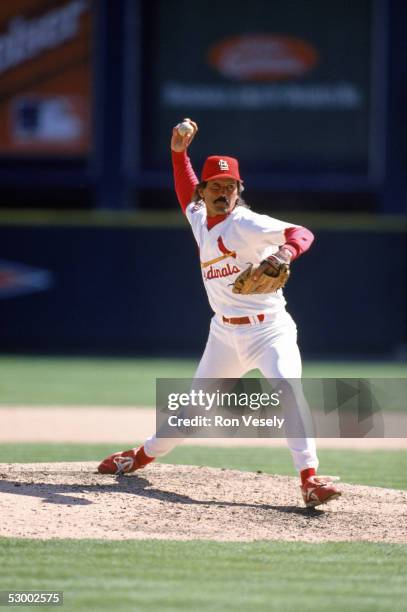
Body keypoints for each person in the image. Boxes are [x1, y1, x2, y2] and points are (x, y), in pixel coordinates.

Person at [98, 119, 341, 508]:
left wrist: (283, 253)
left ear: (239, 191)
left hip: (269, 331)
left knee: (288, 391)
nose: (224, 192)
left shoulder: (246, 223)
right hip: (224, 336)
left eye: (231, 187)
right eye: (216, 186)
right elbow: (182, 186)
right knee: (191, 412)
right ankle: (140, 456)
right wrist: (178, 152)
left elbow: (302, 232)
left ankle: (310, 479)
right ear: (204, 191)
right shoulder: (199, 217)